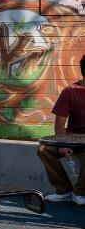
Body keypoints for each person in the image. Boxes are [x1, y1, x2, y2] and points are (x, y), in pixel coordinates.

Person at [37, 54, 85, 204]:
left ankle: (80, 192)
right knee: (44, 149)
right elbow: (59, 124)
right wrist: (63, 144)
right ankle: (64, 190)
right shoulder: (70, 91)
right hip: (73, 138)